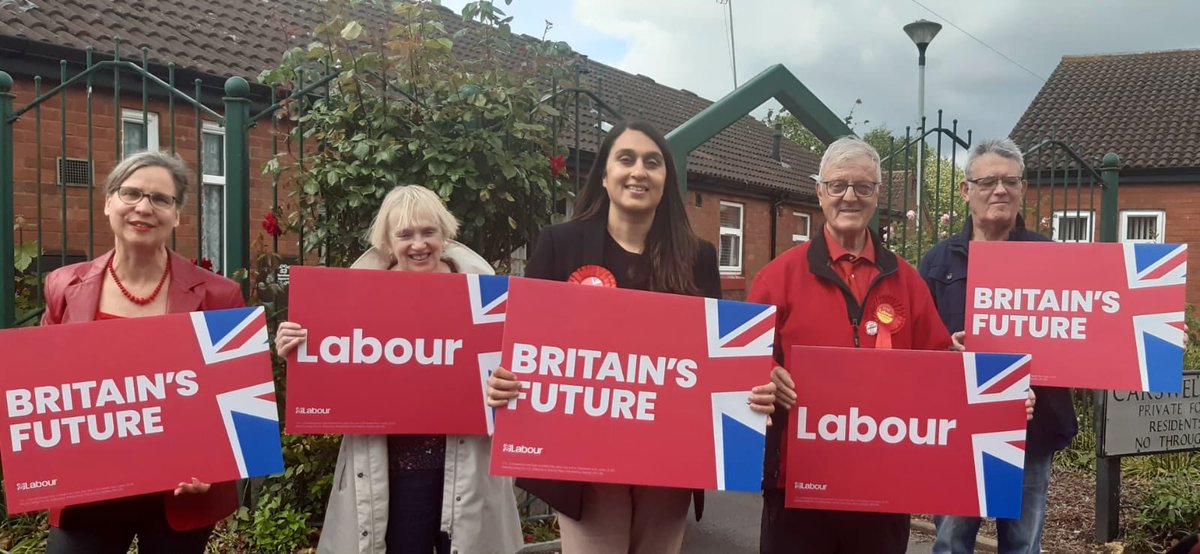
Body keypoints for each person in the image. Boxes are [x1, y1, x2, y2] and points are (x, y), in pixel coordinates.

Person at [484, 119, 778, 554]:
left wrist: (749, 391)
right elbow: (521, 345)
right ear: (604, 175)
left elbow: (720, 361)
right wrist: (501, 378)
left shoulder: (698, 257)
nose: (639, 171)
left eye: (652, 163)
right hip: (580, 462)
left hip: (669, 459)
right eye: (626, 159)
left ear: (666, 180)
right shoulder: (558, 244)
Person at [275, 184, 523, 554]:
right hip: (395, 471)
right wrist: (297, 347)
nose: (418, 244)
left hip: (468, 465)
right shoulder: (354, 301)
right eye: (405, 235)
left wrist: (511, 383)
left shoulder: (488, 299)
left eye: (428, 232)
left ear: (445, 235)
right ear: (388, 243)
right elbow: (330, 367)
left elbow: (520, 370)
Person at [750, 136, 958, 553]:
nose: (850, 196)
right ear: (820, 192)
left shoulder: (908, 281)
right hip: (797, 481)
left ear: (878, 195)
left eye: (863, 187)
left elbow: (939, 370)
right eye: (838, 185)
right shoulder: (777, 278)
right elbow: (737, 366)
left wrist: (994, 395)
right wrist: (763, 375)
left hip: (882, 483)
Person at [40, 151, 240, 553]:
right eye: (131, 193)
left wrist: (214, 466)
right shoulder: (63, 285)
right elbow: (45, 387)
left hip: (180, 493)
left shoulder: (220, 295)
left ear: (177, 214)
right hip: (88, 489)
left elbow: (235, 398)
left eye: (160, 199)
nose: (143, 207)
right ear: (109, 202)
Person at [920, 138, 1077, 554]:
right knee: (951, 541)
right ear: (966, 189)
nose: (1000, 190)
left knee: (1023, 544)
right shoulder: (937, 263)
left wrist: (1155, 336)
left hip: (1033, 425)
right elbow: (917, 345)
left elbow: (1090, 324)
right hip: (959, 428)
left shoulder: (1052, 258)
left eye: (1010, 181)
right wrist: (945, 348)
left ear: (1023, 188)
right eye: (988, 180)